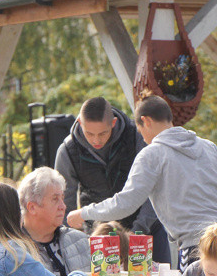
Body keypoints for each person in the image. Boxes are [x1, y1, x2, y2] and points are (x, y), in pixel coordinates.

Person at [67, 93, 217, 270]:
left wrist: (84, 213)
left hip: (198, 246)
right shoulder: (209, 147)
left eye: (140, 131)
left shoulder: (152, 154)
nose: (143, 139)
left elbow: (125, 203)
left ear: (146, 121)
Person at [55, 97, 169, 263]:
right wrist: (76, 241)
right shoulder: (67, 150)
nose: (96, 140)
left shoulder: (137, 137)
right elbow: (65, 205)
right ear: (80, 123)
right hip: (99, 236)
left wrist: (138, 231)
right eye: (89, 133)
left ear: (113, 123)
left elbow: (155, 188)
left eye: (103, 133)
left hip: (146, 228)